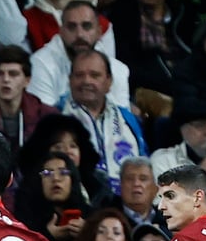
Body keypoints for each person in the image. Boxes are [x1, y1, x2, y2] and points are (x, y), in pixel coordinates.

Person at [57, 50, 146, 195]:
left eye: (94, 75)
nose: (86, 81)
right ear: (70, 79)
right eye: (79, 75)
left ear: (109, 81)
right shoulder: (54, 115)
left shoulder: (127, 118)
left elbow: (143, 164)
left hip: (126, 205)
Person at [28, 0, 131, 110]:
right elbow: (44, 118)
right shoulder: (40, 63)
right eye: (72, 27)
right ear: (61, 32)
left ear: (99, 32)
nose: (80, 34)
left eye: (86, 26)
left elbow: (122, 119)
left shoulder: (118, 69)